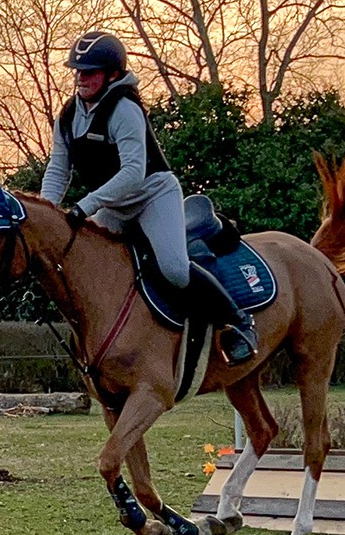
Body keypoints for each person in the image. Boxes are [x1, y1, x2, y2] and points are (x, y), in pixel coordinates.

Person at [40, 31, 257, 365]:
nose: (81, 78)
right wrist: (46, 211)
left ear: (113, 74)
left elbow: (133, 173)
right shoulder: (68, 117)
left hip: (153, 196)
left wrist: (86, 206)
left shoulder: (124, 109)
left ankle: (239, 322)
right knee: (89, 265)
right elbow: (58, 170)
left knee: (174, 269)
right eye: (78, 71)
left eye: (90, 72)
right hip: (115, 207)